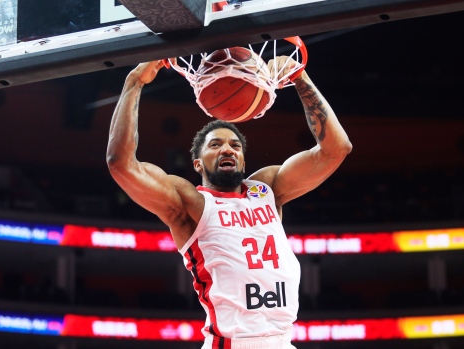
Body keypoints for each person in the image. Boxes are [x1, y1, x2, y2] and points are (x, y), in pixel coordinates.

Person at [107, 57, 352, 349]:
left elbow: (336, 149)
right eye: (215, 145)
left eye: (235, 145)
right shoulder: (190, 201)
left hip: (284, 342)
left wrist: (299, 77)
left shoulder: (267, 189)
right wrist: (134, 82)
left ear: (243, 159)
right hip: (232, 343)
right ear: (198, 163)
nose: (227, 149)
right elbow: (121, 164)